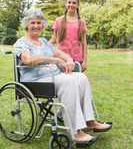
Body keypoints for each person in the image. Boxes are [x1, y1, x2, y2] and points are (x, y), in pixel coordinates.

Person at [14, 8, 112, 143]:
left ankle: (90, 121)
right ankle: (76, 132)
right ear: (26, 25)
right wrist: (54, 60)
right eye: (33, 23)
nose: (36, 26)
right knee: (69, 81)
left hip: (53, 77)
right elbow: (28, 60)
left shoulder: (43, 41)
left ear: (42, 25)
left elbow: (60, 53)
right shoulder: (21, 43)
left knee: (81, 77)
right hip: (35, 81)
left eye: (39, 23)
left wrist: (69, 60)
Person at [50, 0, 87, 72]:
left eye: (74, 3)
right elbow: (53, 39)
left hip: (77, 60)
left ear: (77, 5)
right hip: (61, 59)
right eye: (69, 2)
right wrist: (40, 46)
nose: (71, 5)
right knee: (62, 82)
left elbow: (84, 42)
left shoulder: (81, 22)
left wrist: (85, 61)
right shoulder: (58, 21)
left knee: (76, 82)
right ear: (65, 4)